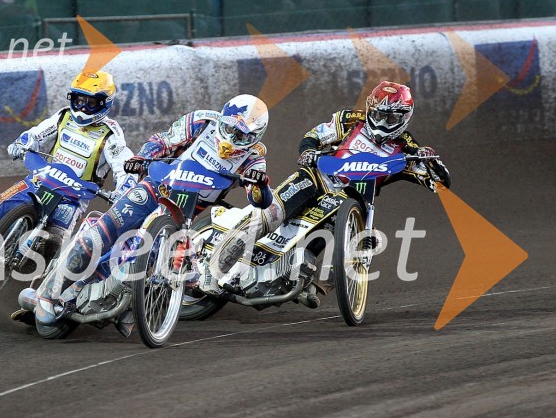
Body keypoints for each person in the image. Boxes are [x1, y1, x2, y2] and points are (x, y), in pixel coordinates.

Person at [22, 94, 275, 331]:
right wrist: (143, 157)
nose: (233, 138)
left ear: (256, 137)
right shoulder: (202, 121)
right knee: (103, 233)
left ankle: (115, 302)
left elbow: (259, 200)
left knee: (142, 259)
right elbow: (163, 140)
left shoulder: (254, 159)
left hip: (184, 214)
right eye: (230, 129)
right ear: (222, 120)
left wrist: (259, 184)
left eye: (242, 136)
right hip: (155, 188)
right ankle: (48, 294)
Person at [213, 80, 451, 307]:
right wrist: (309, 152)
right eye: (378, 114)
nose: (381, 121)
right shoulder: (349, 120)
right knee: (273, 211)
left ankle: (310, 282)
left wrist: (430, 161)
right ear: (370, 107)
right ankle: (223, 265)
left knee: (365, 240)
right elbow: (314, 135)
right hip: (318, 178)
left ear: (403, 118)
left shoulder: (407, 145)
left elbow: (439, 181)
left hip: (350, 200)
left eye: (389, 117)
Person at [0, 70, 135, 283]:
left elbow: (124, 165)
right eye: (79, 100)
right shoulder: (63, 117)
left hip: (72, 199)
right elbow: (36, 134)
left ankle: (19, 287)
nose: (83, 108)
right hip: (37, 181)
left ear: (105, 103)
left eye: (91, 103)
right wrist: (22, 143)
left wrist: (124, 188)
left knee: (53, 243)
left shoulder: (111, 135)